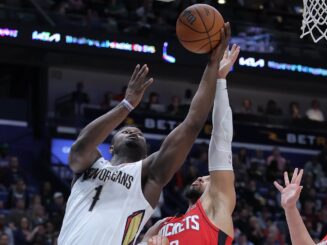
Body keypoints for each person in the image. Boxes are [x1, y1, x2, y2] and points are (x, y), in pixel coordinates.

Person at [57, 23, 231, 245]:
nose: (133, 131)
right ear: (110, 146)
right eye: (126, 130)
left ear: (146, 151)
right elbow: (81, 146)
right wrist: (126, 105)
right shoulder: (89, 165)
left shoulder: (148, 176)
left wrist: (213, 64)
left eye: (139, 133)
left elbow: (192, 124)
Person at [141, 44, 240, 245]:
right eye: (203, 176)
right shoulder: (161, 225)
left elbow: (221, 138)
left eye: (207, 178)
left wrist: (220, 81)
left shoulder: (216, 206)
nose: (200, 178)